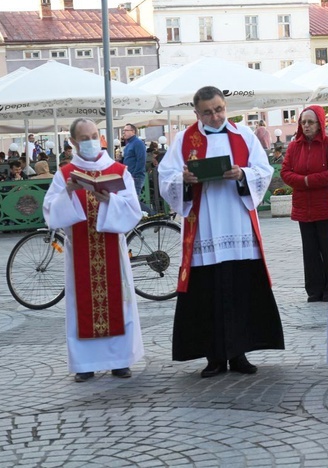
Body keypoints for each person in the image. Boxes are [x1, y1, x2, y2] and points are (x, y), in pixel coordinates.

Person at [158, 86, 284, 378]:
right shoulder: (184, 140)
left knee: (240, 287)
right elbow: (166, 178)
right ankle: (214, 357)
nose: (214, 117)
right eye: (207, 112)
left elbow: (264, 171)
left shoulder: (244, 136)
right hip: (204, 227)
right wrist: (184, 179)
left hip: (238, 223)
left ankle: (239, 353)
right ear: (196, 113)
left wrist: (243, 174)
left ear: (225, 107)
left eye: (219, 110)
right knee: (207, 291)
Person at [43, 118, 144, 382]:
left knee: (118, 301)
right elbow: (50, 213)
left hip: (112, 250)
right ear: (74, 142)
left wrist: (110, 200)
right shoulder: (64, 174)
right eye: (84, 138)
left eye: (94, 135)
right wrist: (67, 192)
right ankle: (85, 364)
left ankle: (120, 361)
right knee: (81, 304)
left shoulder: (119, 170)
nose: (90, 142)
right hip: (79, 251)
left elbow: (133, 211)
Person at [280, 105, 328, 303]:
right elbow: (285, 172)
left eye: (310, 122)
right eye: (303, 122)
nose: (306, 126)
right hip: (303, 208)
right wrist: (304, 181)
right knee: (310, 251)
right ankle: (314, 290)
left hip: (325, 208)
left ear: (319, 124)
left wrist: (306, 181)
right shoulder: (293, 146)